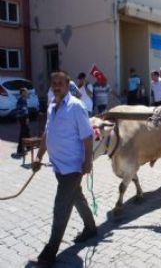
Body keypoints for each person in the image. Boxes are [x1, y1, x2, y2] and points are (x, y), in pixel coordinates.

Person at [29, 71, 96, 268]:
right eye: (53, 83)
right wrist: (39, 156)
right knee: (77, 197)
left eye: (60, 83)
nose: (56, 86)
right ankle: (91, 228)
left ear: (68, 85)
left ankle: (50, 252)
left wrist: (88, 162)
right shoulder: (51, 107)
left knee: (61, 207)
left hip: (73, 168)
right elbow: (47, 134)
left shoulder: (76, 107)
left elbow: (88, 136)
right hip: (58, 166)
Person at [12, 87, 31, 158]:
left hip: (23, 118)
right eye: (25, 92)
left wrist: (27, 117)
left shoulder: (23, 100)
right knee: (23, 134)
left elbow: (23, 110)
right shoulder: (21, 100)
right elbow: (22, 111)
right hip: (23, 118)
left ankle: (28, 147)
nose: (27, 93)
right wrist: (25, 118)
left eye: (27, 91)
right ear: (22, 93)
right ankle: (20, 150)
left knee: (27, 132)